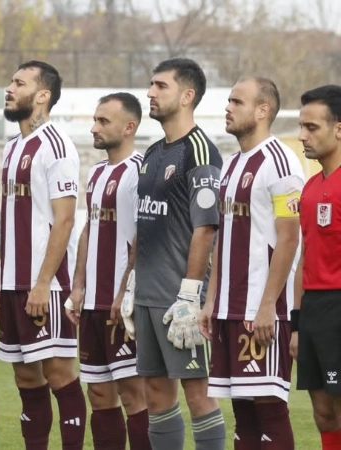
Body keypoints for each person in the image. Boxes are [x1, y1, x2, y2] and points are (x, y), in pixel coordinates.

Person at [198, 77, 302, 450]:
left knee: (269, 407)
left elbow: (290, 238)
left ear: (262, 110)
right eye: (229, 101)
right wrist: (211, 301)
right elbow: (224, 238)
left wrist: (268, 306)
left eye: (236, 102)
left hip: (262, 310)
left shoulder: (280, 162)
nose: (228, 108)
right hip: (229, 308)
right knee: (242, 413)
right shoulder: (230, 165)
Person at [0, 60, 85, 450]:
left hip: (47, 285)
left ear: (43, 95)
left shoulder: (56, 146)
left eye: (19, 83)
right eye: (11, 81)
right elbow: (11, 220)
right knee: (26, 377)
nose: (9, 89)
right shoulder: (13, 147)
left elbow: (65, 220)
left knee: (59, 373)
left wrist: (43, 283)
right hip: (13, 283)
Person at [132, 58, 226, 450]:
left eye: (160, 86)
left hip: (180, 300)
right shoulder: (153, 153)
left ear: (187, 96)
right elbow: (144, 223)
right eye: (151, 85)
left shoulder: (200, 152)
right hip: (147, 295)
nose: (150, 93)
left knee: (198, 393)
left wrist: (190, 294)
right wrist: (130, 286)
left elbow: (206, 228)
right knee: (155, 394)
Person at [66, 93, 150, 450]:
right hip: (92, 305)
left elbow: (143, 238)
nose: (94, 128)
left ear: (129, 127)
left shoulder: (141, 172)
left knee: (133, 394)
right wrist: (78, 286)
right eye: (95, 120)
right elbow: (90, 228)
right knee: (99, 394)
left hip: (122, 306)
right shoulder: (98, 172)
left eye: (103, 121)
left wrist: (124, 293)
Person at [293, 85, 341, 450]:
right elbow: (305, 256)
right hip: (312, 311)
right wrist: (296, 323)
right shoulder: (310, 187)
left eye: (312, 127)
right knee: (323, 413)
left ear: (338, 129)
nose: (302, 135)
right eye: (301, 126)